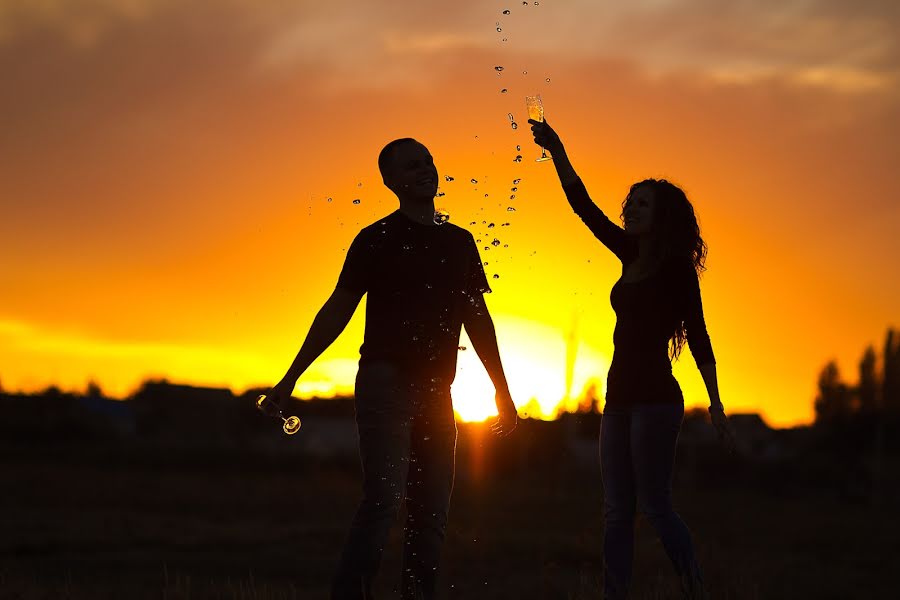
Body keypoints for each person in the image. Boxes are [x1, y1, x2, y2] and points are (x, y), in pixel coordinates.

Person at [264, 138, 518, 600]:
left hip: (439, 391)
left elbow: (478, 320)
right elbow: (337, 310)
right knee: (383, 503)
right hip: (387, 385)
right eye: (412, 165)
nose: (425, 169)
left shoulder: (460, 242)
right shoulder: (376, 239)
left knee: (432, 513)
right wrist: (292, 375)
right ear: (391, 181)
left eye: (429, 161)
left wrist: (501, 389)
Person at [528, 117, 735, 599]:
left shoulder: (678, 270)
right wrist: (558, 149)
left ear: (663, 215)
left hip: (657, 403)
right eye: (631, 201)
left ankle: (694, 586)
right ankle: (614, 593)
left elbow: (700, 336)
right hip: (618, 402)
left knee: (656, 507)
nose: (631, 209)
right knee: (616, 510)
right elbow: (583, 207)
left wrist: (717, 404)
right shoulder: (627, 252)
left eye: (644, 203)